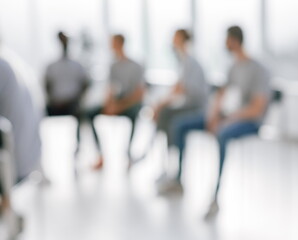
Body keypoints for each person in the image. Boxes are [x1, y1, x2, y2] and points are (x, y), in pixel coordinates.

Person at [164, 26, 271, 218]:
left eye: (226, 40)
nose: (224, 44)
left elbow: (256, 108)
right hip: (227, 116)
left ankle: (215, 195)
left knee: (222, 134)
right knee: (179, 124)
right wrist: (213, 114)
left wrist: (229, 118)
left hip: (249, 121)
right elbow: (222, 94)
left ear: (234, 41)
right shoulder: (233, 67)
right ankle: (178, 179)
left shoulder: (258, 69)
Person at [152, 29, 209, 181]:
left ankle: (173, 169)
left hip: (196, 107)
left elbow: (181, 89)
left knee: (172, 120)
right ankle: (165, 162)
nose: (172, 41)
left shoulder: (189, 62)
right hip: (187, 104)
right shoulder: (183, 61)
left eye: (175, 38)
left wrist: (161, 103)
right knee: (164, 115)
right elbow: (177, 88)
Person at [88, 34, 145, 170]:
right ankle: (100, 155)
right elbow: (111, 89)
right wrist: (109, 105)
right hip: (117, 103)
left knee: (134, 114)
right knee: (89, 113)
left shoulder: (136, 66)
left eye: (112, 43)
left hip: (130, 103)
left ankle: (129, 154)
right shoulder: (113, 66)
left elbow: (138, 94)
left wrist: (119, 107)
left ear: (120, 44)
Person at [44, 31, 90, 156]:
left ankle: (79, 146)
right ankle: (41, 148)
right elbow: (47, 86)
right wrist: (53, 100)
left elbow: (85, 84)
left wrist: (76, 99)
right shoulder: (51, 66)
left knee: (82, 114)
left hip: (72, 104)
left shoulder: (77, 65)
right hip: (55, 104)